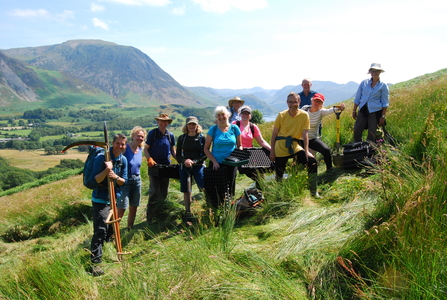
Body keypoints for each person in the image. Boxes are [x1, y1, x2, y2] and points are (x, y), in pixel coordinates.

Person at [90, 133, 128, 276]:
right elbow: (96, 180)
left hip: (114, 199)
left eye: (123, 144)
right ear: (113, 143)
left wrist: (115, 177)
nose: (120, 146)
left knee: (112, 228)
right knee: (100, 230)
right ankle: (95, 264)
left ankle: (106, 251)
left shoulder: (122, 159)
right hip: (100, 199)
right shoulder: (102, 158)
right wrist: (107, 169)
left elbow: (124, 181)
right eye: (118, 143)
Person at [269, 92, 319, 197]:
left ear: (299, 102)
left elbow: (305, 134)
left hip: (295, 146)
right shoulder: (281, 115)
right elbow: (274, 134)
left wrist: (306, 151)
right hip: (281, 146)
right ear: (287, 103)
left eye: (295, 102)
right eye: (290, 102)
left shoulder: (304, 115)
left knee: (312, 162)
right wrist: (272, 151)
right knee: (279, 173)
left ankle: (313, 191)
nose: (293, 104)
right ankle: (279, 195)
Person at [204, 106, 242, 201]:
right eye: (218, 115)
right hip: (216, 163)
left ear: (228, 115)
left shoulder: (235, 128)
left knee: (230, 187)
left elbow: (240, 146)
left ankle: (229, 209)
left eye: (223, 114)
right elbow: (206, 148)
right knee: (217, 189)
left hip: (231, 163)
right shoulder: (213, 129)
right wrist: (214, 161)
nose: (221, 117)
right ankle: (216, 209)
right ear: (216, 117)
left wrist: (238, 156)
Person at [144, 113, 176, 222]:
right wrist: (149, 159)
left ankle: (161, 213)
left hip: (166, 166)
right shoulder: (153, 134)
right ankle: (150, 216)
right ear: (158, 122)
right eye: (161, 121)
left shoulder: (170, 135)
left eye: (165, 121)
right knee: (154, 191)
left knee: (164, 191)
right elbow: (146, 149)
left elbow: (172, 150)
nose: (163, 123)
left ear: (168, 123)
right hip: (154, 166)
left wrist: (180, 160)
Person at [302, 93, 345, 171]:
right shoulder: (304, 109)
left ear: (322, 104)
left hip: (312, 138)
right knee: (304, 158)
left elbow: (331, 110)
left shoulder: (321, 112)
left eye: (319, 102)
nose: (317, 103)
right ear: (312, 100)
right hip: (300, 138)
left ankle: (329, 169)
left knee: (326, 150)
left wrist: (340, 107)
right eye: (315, 101)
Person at [232, 105, 271, 188]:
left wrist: (272, 150)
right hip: (238, 154)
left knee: (259, 172)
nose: (245, 115)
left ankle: (260, 190)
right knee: (249, 172)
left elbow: (261, 141)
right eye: (243, 113)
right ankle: (261, 188)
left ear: (250, 115)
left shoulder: (253, 127)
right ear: (240, 114)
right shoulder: (235, 124)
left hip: (250, 153)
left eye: (247, 113)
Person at [176, 116, 207, 217]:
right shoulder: (182, 138)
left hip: (198, 166)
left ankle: (209, 206)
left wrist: (194, 161)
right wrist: (185, 161)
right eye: (190, 124)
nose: (192, 126)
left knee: (204, 187)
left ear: (197, 125)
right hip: (185, 166)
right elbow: (178, 155)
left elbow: (205, 154)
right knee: (186, 190)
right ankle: (188, 211)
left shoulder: (202, 138)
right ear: (186, 125)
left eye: (194, 124)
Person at [117, 126, 146, 230]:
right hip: (125, 181)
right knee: (121, 207)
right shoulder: (125, 148)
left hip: (137, 180)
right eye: (138, 136)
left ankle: (130, 228)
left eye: (142, 137)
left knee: (134, 207)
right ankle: (113, 232)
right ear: (133, 136)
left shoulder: (140, 149)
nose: (140, 138)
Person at [352, 63, 389, 143]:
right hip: (363, 109)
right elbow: (357, 97)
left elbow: (385, 102)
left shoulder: (383, 85)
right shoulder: (364, 83)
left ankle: (369, 150)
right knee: (357, 129)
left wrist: (382, 116)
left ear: (379, 72)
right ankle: (357, 147)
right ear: (370, 72)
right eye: (373, 71)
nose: (374, 73)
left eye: (376, 71)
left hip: (375, 111)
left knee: (372, 132)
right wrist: (354, 110)